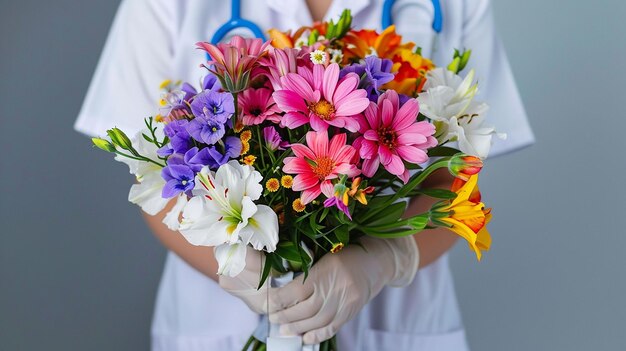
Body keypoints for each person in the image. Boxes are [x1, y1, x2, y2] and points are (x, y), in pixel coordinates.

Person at [75, 0, 535, 350]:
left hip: (398, 322)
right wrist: (237, 265)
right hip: (216, 324)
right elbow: (153, 179)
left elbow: (457, 176)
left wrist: (384, 261)